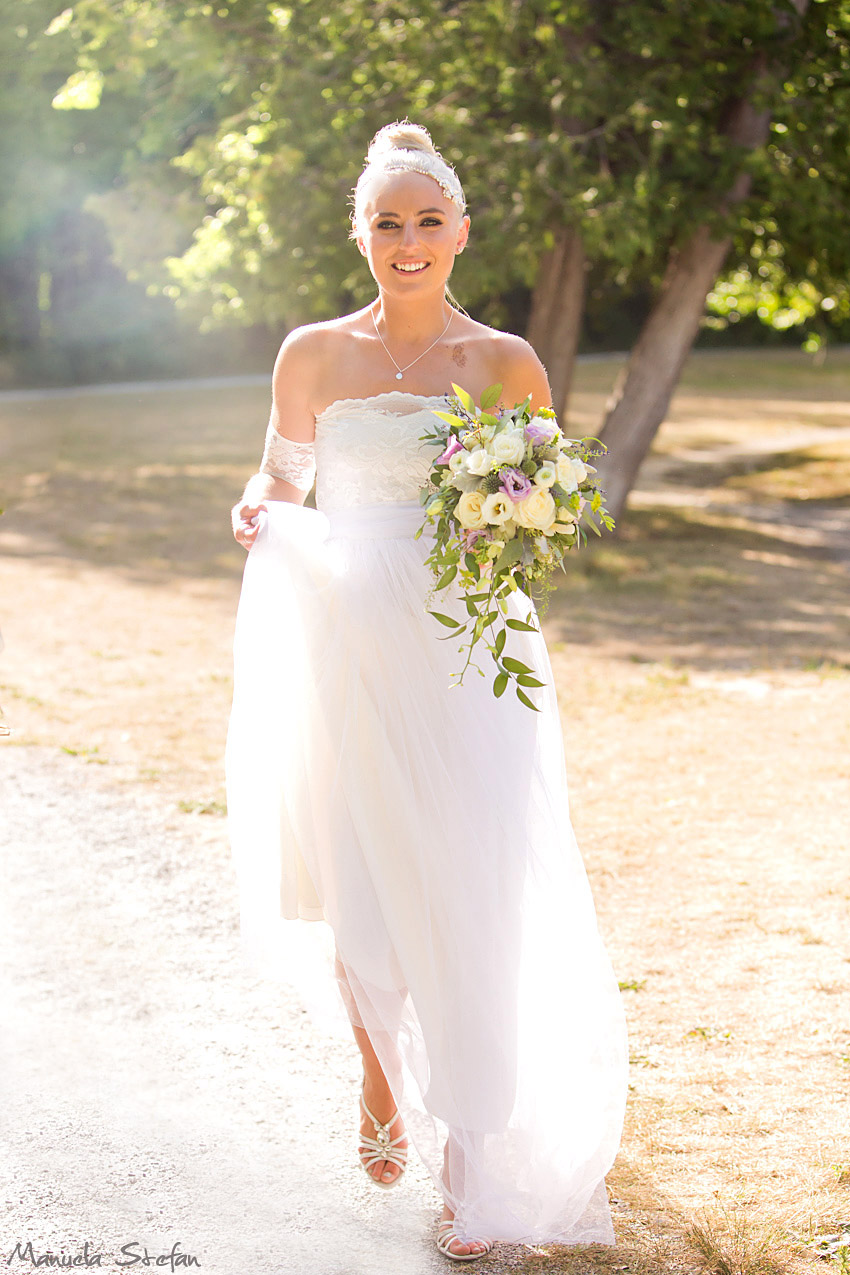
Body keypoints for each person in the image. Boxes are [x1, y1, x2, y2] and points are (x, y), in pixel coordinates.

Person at [226, 121, 628, 1263]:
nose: (408, 242)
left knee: (470, 880)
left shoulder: (504, 361)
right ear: (361, 235)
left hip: (463, 650)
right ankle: (375, 1072)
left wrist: (514, 516)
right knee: (356, 864)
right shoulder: (310, 353)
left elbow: (537, 505)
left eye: (427, 222)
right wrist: (257, 504)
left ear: (461, 232)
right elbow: (284, 470)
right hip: (342, 638)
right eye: (387, 224)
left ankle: (468, 1159)